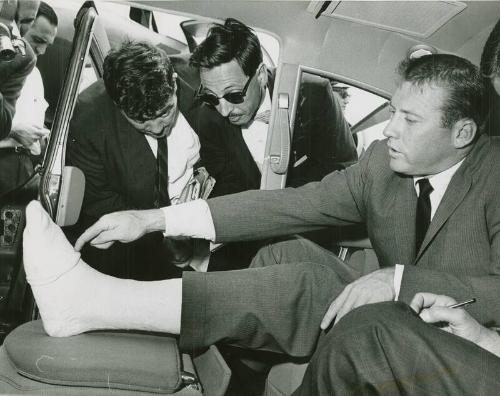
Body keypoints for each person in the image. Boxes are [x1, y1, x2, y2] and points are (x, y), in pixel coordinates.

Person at [24, 51, 499, 393]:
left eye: (409, 120)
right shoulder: (380, 163)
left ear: (462, 133)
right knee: (289, 254)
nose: (390, 129)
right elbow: (287, 205)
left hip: (466, 343)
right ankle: (227, 372)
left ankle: (99, 303)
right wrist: (153, 219)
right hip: (409, 316)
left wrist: (396, 280)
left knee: (365, 324)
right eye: (392, 112)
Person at [66, 41, 206, 280]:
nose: (158, 127)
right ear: (118, 106)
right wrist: (165, 229)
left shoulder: (200, 79)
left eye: (165, 112)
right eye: (142, 121)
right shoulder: (87, 121)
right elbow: (102, 201)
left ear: (173, 83)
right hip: (145, 237)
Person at [189, 18, 358, 197]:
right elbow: (225, 184)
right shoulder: (207, 117)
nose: (223, 111)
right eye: (211, 97)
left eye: (234, 95)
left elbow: (344, 171)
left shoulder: (313, 95)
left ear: (260, 75)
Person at [0, 1, 55, 197]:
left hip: (22, 172)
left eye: (47, 44)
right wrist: (14, 131)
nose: (42, 50)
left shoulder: (35, 75)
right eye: (38, 40)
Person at [0, 0, 36, 141]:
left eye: (28, 20)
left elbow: (2, 127)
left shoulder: (23, 56)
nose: (17, 30)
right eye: (11, 18)